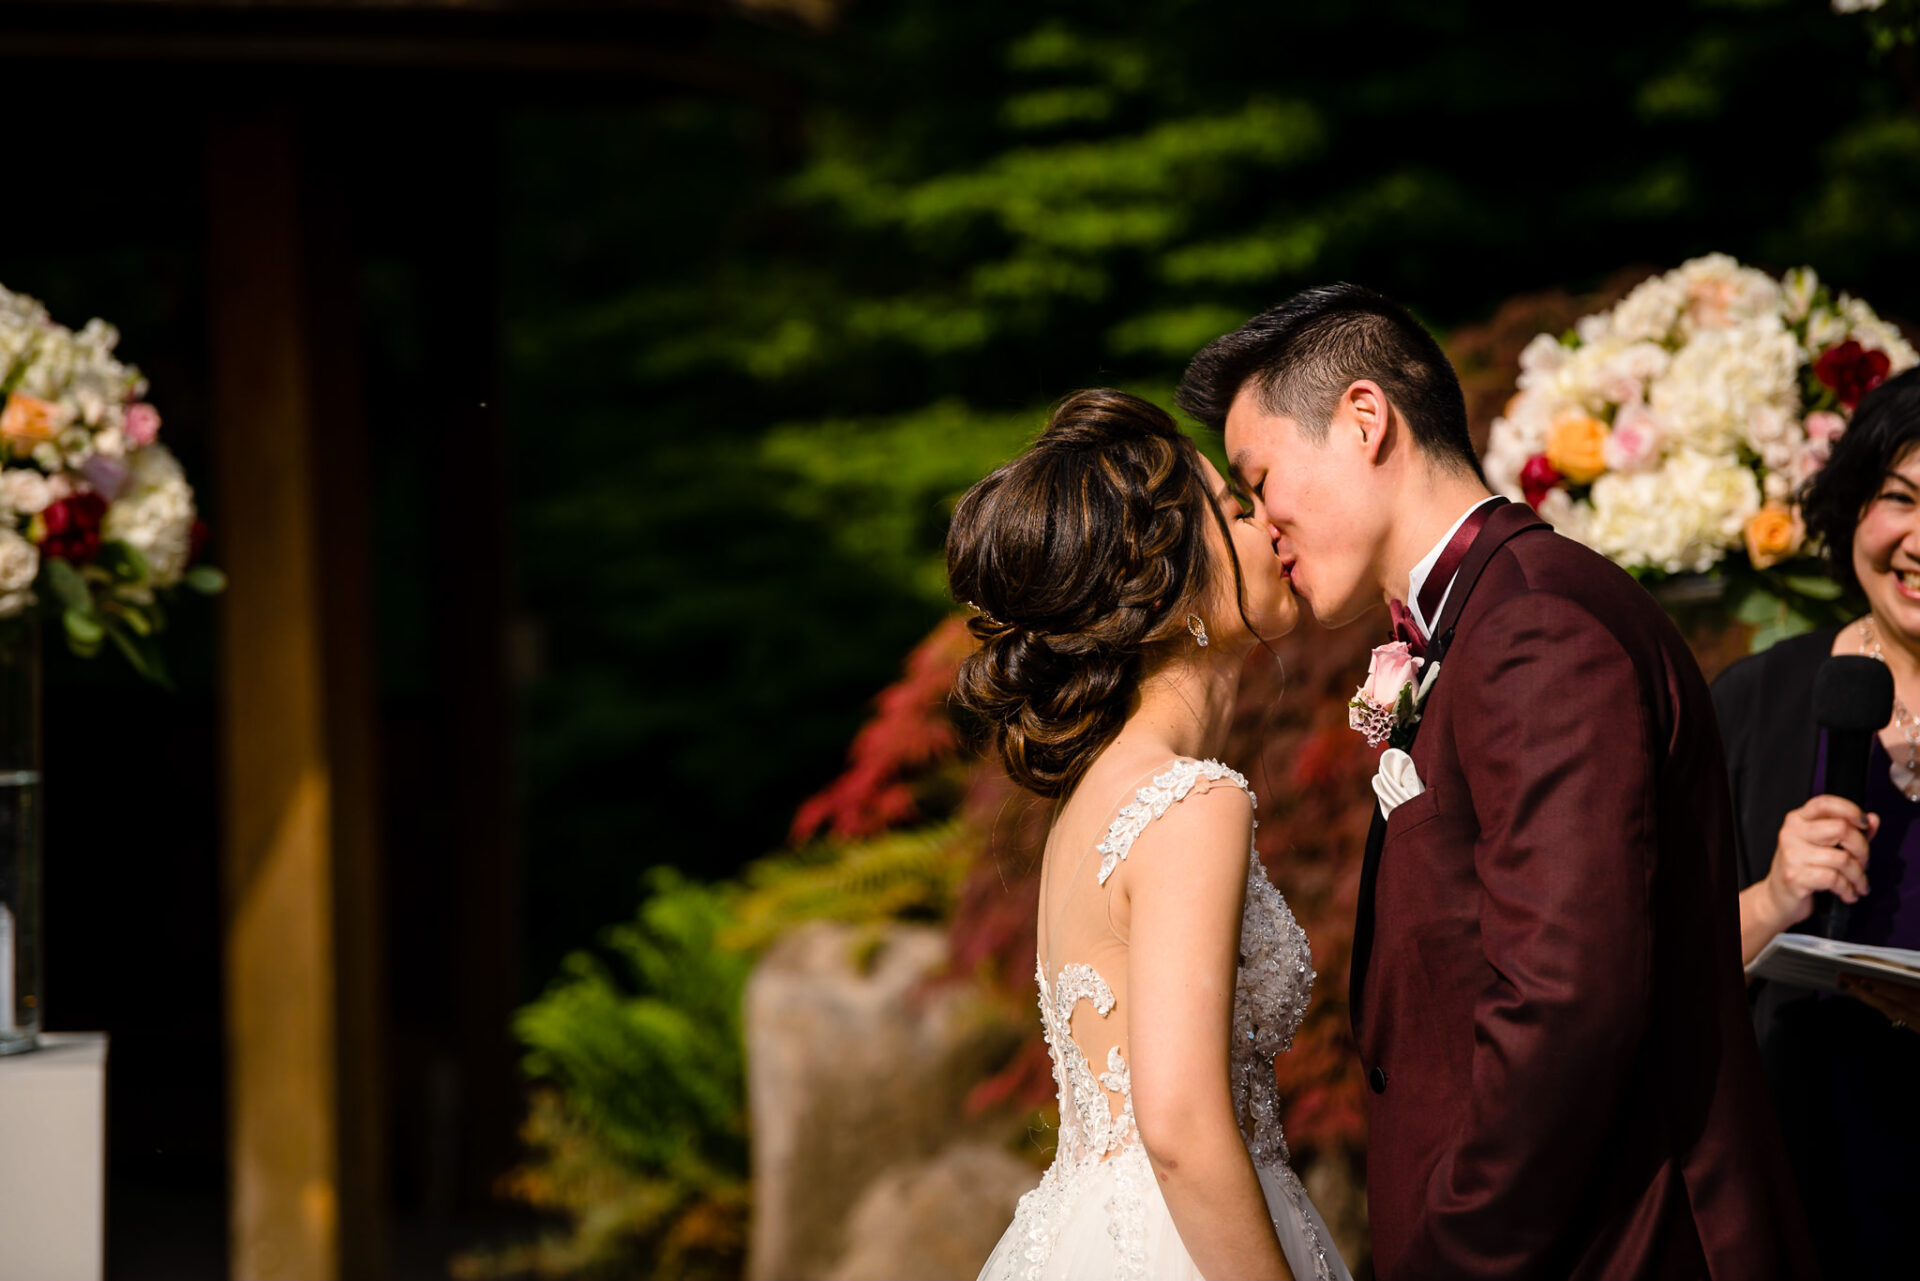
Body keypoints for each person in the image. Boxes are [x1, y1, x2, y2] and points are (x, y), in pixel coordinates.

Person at [1176, 284, 1819, 1280]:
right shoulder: (1468, 622)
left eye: (1261, 480)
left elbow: (1569, 996)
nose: (1264, 525)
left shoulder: (1536, 626)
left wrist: (1455, 1249)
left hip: (1600, 1246)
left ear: (1363, 420)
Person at [952, 389, 1350, 1281]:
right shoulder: (1188, 801)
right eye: (1236, 509)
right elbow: (1176, 1127)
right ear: (1172, 591)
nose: (1269, 523)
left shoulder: (1093, 803)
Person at [1710, 365, 1920, 1278]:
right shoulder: (1757, 700)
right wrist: (1769, 898)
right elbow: (1644, 961)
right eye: (1899, 499)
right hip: (1788, 1193)